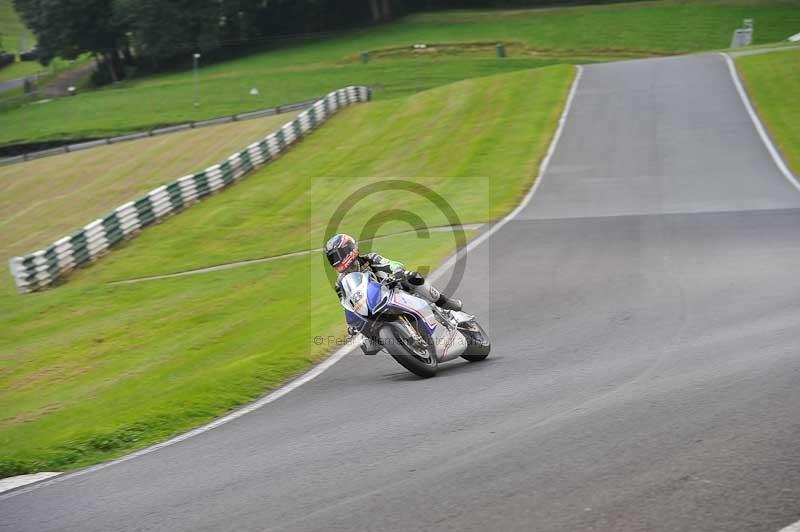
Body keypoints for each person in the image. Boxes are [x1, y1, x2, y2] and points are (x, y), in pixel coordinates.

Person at [324, 233, 463, 313]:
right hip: (373, 306)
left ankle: (443, 301)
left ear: (350, 248)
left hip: (394, 290)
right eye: (333, 259)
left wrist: (397, 272)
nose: (337, 261)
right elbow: (347, 305)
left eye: (338, 255)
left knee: (413, 277)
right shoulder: (340, 283)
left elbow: (391, 264)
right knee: (367, 344)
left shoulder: (369, 259)